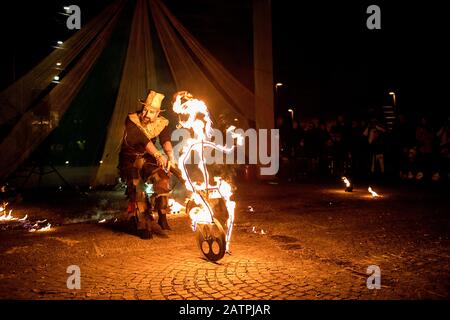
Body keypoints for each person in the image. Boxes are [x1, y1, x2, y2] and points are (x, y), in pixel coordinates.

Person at [118, 90, 175, 239]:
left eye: (151, 112)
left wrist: (171, 156)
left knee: (162, 178)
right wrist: (157, 154)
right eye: (145, 110)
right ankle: (143, 225)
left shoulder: (161, 122)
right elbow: (143, 140)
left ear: (157, 113)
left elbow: (165, 139)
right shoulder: (132, 120)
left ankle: (162, 216)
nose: (146, 114)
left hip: (148, 159)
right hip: (130, 160)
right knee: (138, 191)